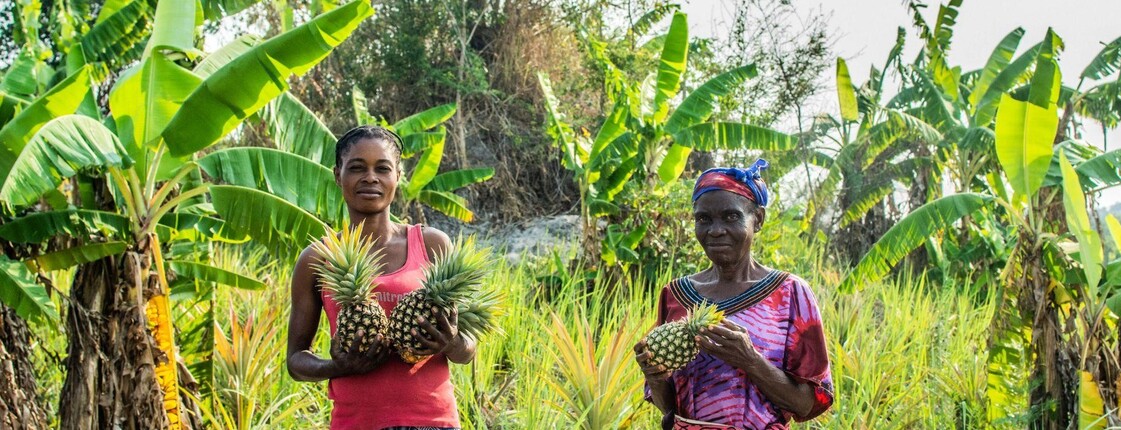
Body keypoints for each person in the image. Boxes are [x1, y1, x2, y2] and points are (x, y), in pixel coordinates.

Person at [286, 126, 474, 430]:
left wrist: (451, 343)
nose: (370, 177)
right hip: (355, 423)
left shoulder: (432, 245)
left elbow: (468, 349)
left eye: (382, 168)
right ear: (338, 175)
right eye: (357, 168)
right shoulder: (317, 258)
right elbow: (295, 360)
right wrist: (338, 366)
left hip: (433, 422)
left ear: (397, 175)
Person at [633, 159, 834, 430]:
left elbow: (806, 404)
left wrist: (749, 360)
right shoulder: (675, 295)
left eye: (731, 216)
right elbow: (670, 407)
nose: (716, 230)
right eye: (703, 219)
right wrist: (655, 377)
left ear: (758, 220)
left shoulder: (790, 294)